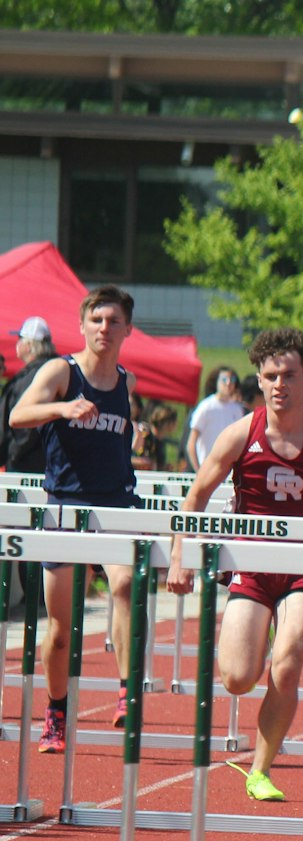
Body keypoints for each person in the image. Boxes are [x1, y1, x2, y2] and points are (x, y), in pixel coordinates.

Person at [166, 328, 303, 801]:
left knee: (286, 667)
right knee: (237, 678)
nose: (280, 385)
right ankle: (259, 633)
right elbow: (195, 498)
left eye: (289, 375)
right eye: (271, 375)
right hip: (251, 569)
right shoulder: (238, 434)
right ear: (259, 378)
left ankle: (260, 770)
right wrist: (180, 556)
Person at [9, 287, 141, 751]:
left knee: (125, 585)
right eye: (97, 320)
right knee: (62, 628)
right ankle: (57, 713)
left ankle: (128, 693)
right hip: (64, 507)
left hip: (117, 507)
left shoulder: (128, 383)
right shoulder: (61, 371)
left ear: (127, 329)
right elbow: (18, 415)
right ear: (83, 325)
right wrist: (63, 408)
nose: (105, 328)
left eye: (113, 321)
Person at [0, 316, 58, 472]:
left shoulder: (31, 377)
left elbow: (27, 425)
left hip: (26, 465)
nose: (17, 344)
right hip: (53, 464)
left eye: (20, 339)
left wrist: (13, 453)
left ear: (29, 345)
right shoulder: (60, 370)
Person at [185, 366, 247, 471]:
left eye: (232, 380)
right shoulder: (205, 407)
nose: (228, 383)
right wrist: (198, 471)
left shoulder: (237, 409)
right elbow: (191, 443)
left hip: (229, 474)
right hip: (207, 470)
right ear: (217, 382)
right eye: (224, 379)